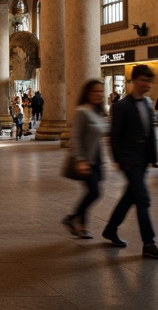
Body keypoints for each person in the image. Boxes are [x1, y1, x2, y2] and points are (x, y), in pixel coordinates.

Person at [102, 64, 158, 258]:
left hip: (143, 159)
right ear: (134, 81)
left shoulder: (147, 103)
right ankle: (149, 243)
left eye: (149, 81)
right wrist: (120, 160)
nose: (147, 84)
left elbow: (149, 133)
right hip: (129, 161)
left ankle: (110, 229)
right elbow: (115, 136)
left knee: (130, 197)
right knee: (143, 199)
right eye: (144, 80)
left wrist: (152, 158)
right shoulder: (122, 106)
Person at [63, 79, 107, 239]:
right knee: (94, 192)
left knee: (92, 191)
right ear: (88, 93)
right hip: (86, 159)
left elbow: (103, 129)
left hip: (97, 158)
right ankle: (76, 219)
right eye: (95, 91)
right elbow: (75, 137)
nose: (99, 94)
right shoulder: (82, 111)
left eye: (101, 91)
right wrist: (80, 160)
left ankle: (79, 223)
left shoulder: (98, 111)